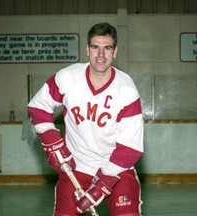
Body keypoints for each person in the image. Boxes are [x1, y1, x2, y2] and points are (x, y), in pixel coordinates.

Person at [28, 22, 144, 216]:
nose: (100, 55)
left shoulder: (127, 90)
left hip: (117, 170)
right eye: (95, 47)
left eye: (107, 48)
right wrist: (52, 143)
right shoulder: (67, 78)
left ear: (115, 52)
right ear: (87, 50)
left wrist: (102, 185)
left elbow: (131, 148)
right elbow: (38, 106)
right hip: (76, 168)